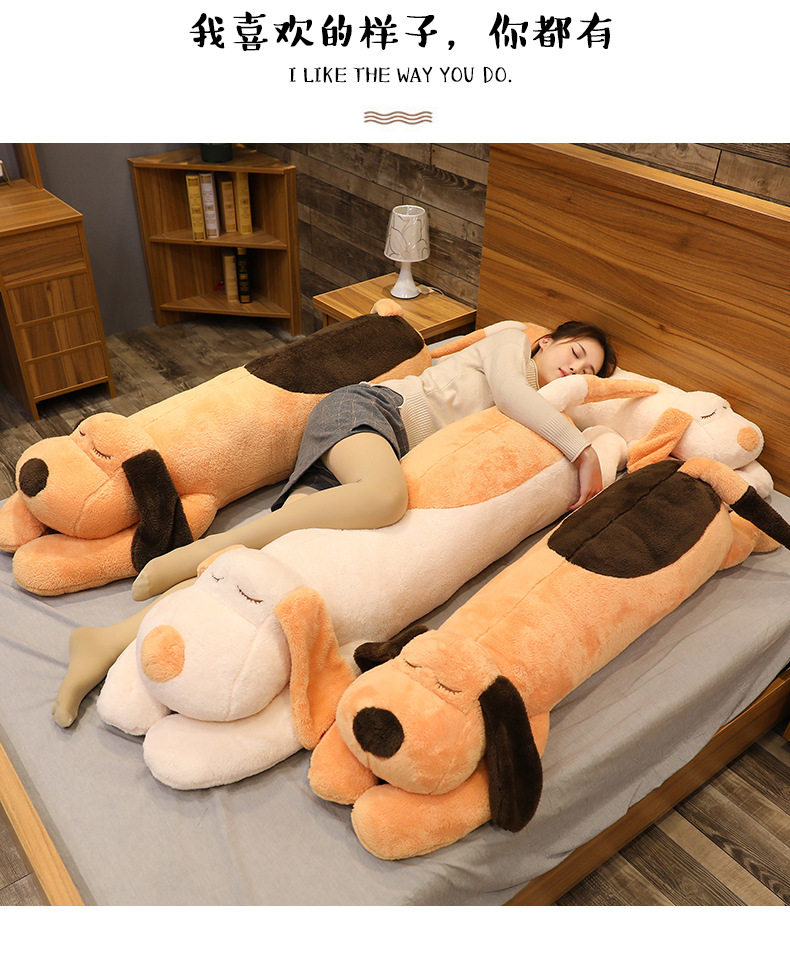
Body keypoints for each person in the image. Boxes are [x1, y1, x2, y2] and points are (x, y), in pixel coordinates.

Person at [52, 303, 616, 727]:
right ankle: (206, 548)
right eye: (573, 354)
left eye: (586, 371)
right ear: (545, 340)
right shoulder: (512, 344)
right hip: (369, 413)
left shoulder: (541, 403)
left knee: (272, 568)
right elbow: (511, 392)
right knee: (386, 498)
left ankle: (106, 642)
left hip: (375, 451)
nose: (574, 371)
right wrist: (582, 450)